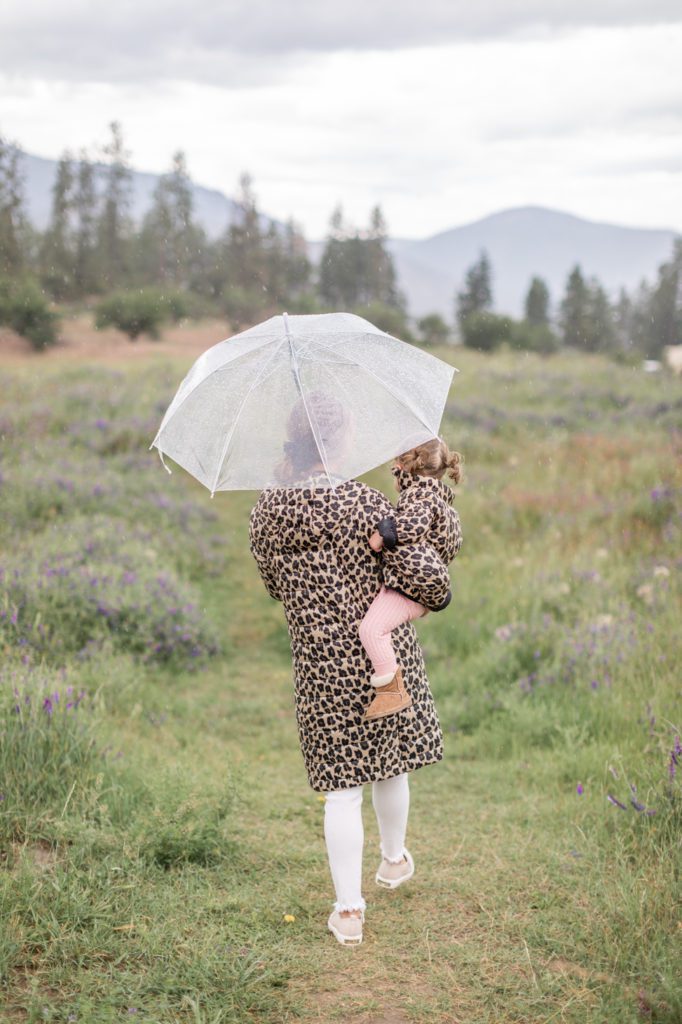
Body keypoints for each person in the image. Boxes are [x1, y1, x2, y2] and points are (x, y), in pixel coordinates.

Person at [248, 393, 460, 946]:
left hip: (318, 662)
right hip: (380, 659)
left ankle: (348, 913)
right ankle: (393, 859)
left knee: (341, 789)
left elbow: (275, 588)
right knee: (390, 763)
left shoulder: (267, 510)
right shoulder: (369, 505)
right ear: (340, 440)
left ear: (294, 441)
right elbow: (415, 565)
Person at [359, 437, 463, 721]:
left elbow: (413, 527)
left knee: (371, 630)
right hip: (416, 586)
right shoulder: (438, 499)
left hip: (410, 590)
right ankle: (391, 688)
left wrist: (383, 534)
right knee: (376, 627)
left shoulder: (420, 496)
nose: (394, 476)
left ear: (408, 470)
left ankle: (392, 691)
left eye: (396, 469)